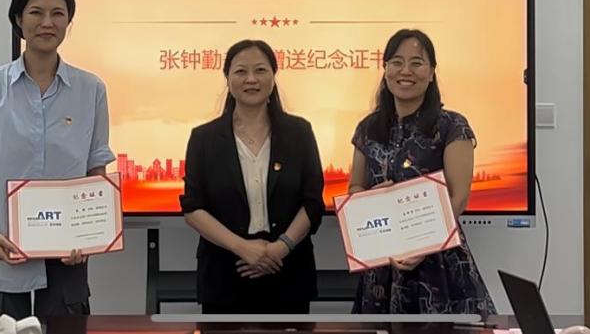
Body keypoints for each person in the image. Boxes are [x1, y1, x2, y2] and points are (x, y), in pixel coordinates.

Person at [0, 0, 115, 322]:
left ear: (69, 22)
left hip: (68, 252)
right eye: (36, 12)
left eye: (58, 13)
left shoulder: (91, 90)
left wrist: (90, 235)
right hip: (2, 247)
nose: (47, 22)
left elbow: (96, 170)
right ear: (18, 19)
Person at [348, 29, 496, 315]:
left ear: (431, 72)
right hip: (382, 262)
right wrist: (369, 199)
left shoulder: (452, 126)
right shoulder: (368, 129)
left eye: (416, 63)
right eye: (396, 62)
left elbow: (458, 198)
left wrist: (422, 245)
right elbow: (355, 187)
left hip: (437, 262)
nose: (406, 71)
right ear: (385, 69)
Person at [180, 39, 324, 313]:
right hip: (225, 275)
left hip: (287, 271)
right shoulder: (204, 138)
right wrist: (242, 248)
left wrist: (279, 248)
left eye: (260, 70)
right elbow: (193, 208)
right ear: (227, 78)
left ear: (273, 75)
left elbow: (313, 201)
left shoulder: (299, 132)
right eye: (240, 71)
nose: (251, 79)